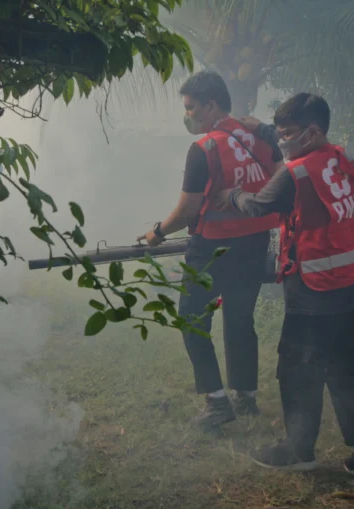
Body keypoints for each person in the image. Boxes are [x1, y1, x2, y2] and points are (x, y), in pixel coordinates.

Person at [215, 93, 354, 475]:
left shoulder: (295, 173)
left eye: (287, 134)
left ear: (311, 133)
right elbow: (290, 142)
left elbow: (258, 205)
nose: (282, 142)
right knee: (342, 365)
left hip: (315, 289)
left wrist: (232, 194)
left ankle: (298, 451)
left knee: (298, 368)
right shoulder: (340, 156)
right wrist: (260, 129)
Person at [137, 71, 283, 429]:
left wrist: (157, 232)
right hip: (254, 242)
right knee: (239, 318)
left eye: (191, 108)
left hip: (212, 248)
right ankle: (245, 396)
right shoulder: (261, 138)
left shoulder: (204, 149)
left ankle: (217, 403)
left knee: (191, 318)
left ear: (211, 105)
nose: (188, 116)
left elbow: (189, 208)